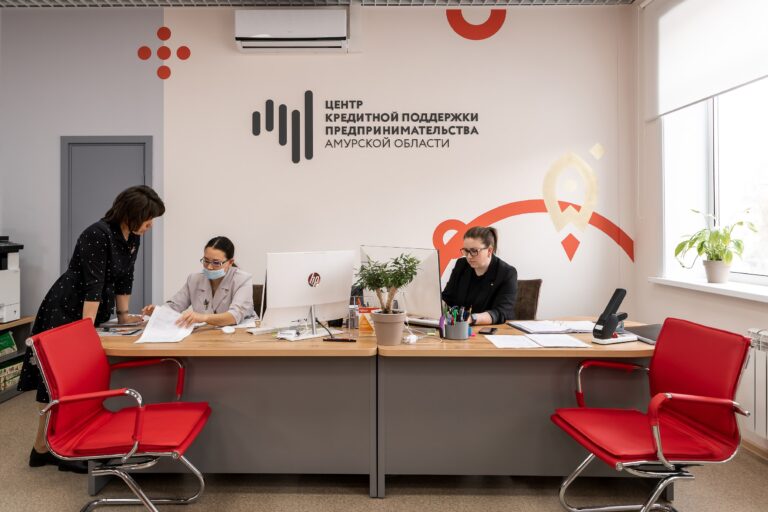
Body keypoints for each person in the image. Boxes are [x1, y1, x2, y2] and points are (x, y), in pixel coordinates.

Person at [19, 185, 165, 472]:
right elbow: (92, 285)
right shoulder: (97, 234)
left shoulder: (132, 237)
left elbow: (125, 277)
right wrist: (86, 331)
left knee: (79, 382)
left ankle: (49, 448)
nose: (150, 226)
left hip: (93, 309)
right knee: (60, 382)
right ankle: (49, 448)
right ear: (132, 214)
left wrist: (123, 316)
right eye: (148, 219)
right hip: (68, 307)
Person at [142, 236, 254, 328]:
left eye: (216, 263)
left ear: (230, 262)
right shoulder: (194, 279)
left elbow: (234, 316)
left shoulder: (243, 279)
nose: (209, 267)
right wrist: (159, 312)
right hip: (204, 336)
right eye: (206, 261)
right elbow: (175, 305)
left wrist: (203, 317)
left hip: (239, 336)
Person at [441, 226, 518, 326]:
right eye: (466, 251)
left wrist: (471, 318)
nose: (469, 256)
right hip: (459, 329)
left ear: (489, 250)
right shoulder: (461, 265)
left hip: (492, 330)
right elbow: (447, 298)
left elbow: (501, 312)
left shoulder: (507, 273)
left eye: (474, 251)